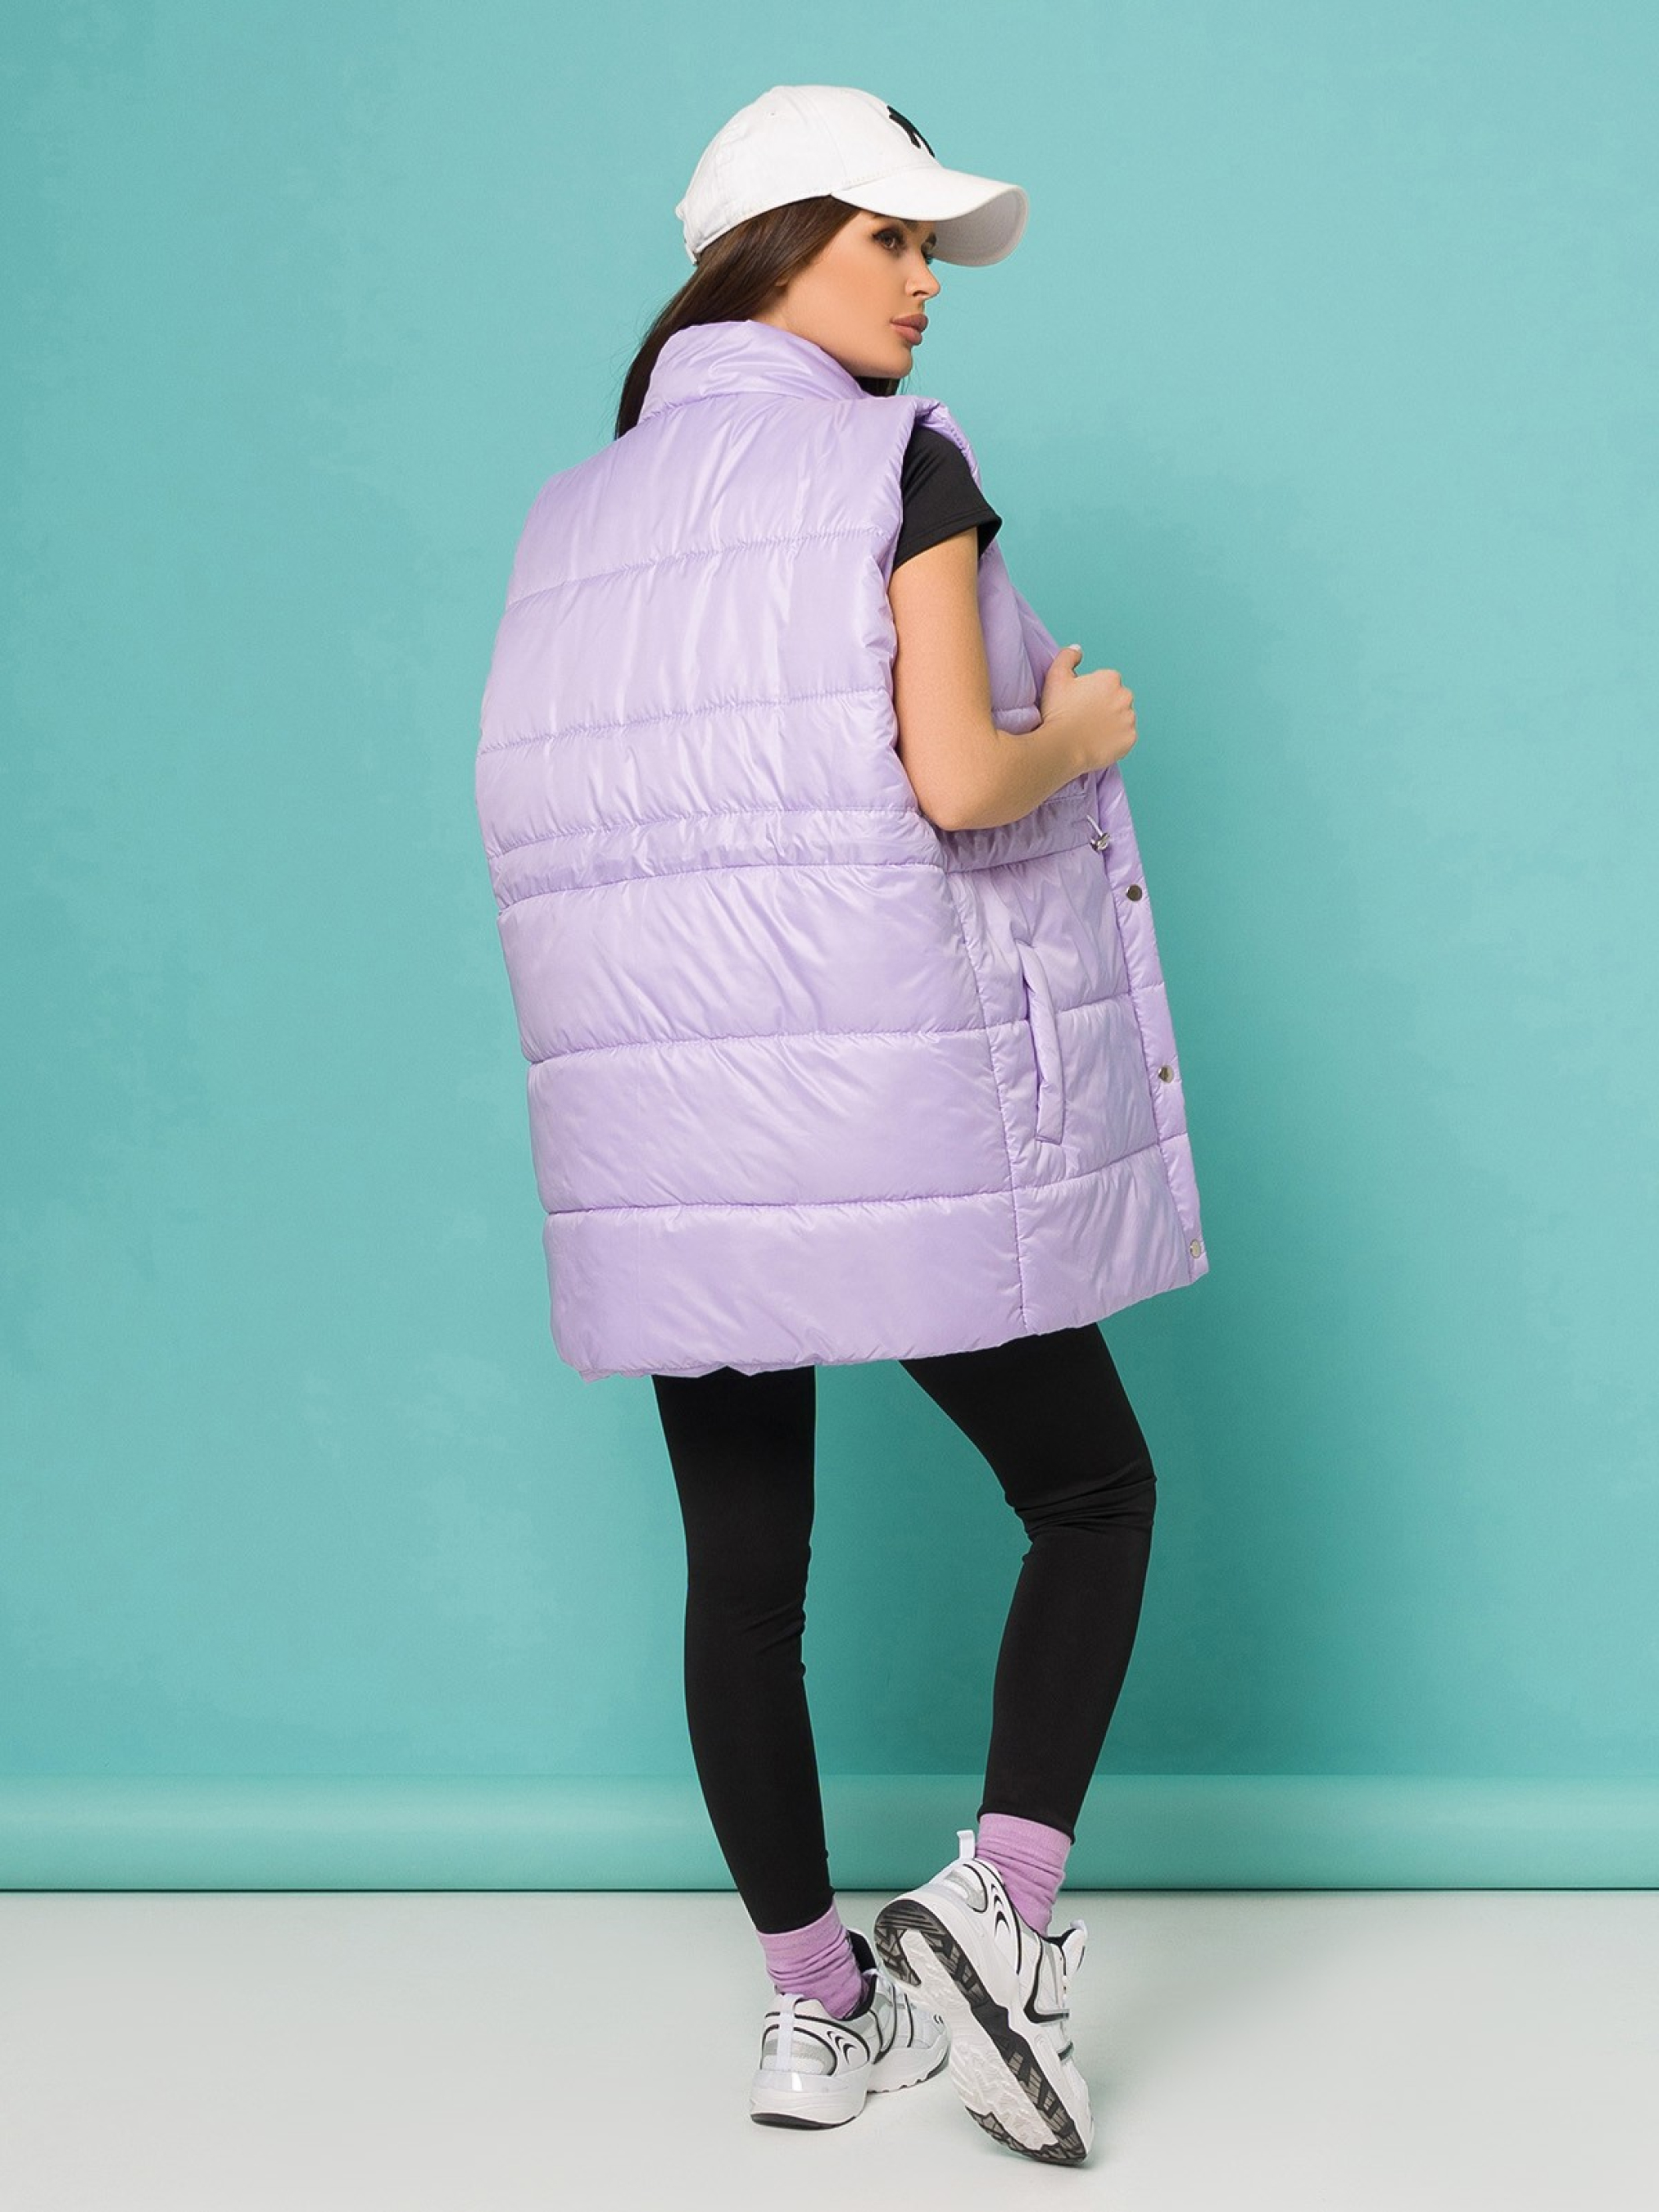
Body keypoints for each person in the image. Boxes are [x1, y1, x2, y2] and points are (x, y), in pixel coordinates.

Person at [475, 84, 1208, 2164]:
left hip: (665, 1127)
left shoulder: (572, 518)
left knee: (741, 1573)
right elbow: (955, 779)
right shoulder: (897, 462)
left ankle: (815, 2013)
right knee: (1091, 1492)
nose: (922, 282)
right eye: (888, 237)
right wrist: (1073, 728)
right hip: (885, 1102)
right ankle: (1001, 1914)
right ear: (775, 244)